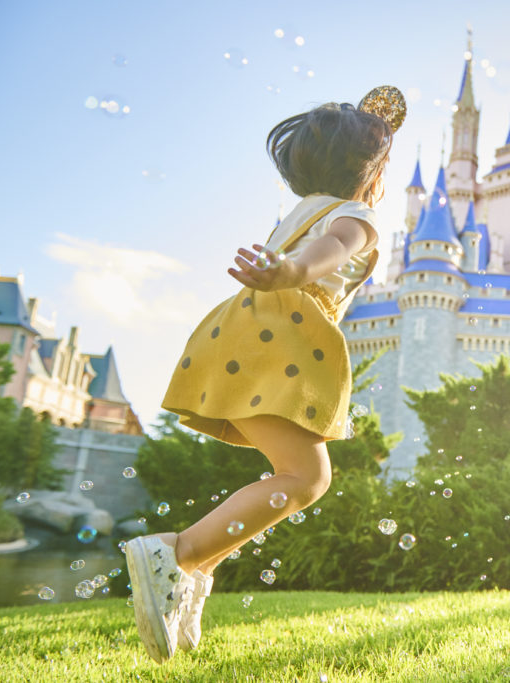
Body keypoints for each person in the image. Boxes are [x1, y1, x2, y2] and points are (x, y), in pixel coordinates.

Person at [124, 88, 404, 664]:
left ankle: (195, 568)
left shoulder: (301, 210)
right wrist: (295, 270)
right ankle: (175, 554)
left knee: (291, 474)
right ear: (372, 175)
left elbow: (312, 246)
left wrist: (284, 266)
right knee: (305, 478)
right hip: (285, 335)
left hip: (245, 334)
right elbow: (332, 250)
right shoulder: (358, 217)